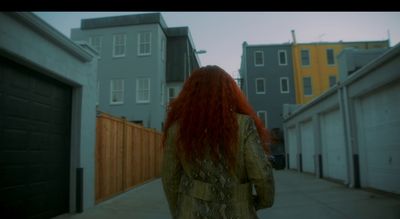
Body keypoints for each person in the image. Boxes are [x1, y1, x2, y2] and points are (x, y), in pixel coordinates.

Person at [161, 65, 275, 219]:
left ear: (189, 94)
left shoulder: (177, 129)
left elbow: (169, 178)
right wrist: (262, 202)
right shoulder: (244, 125)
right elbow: (262, 174)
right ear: (230, 93)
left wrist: (179, 210)